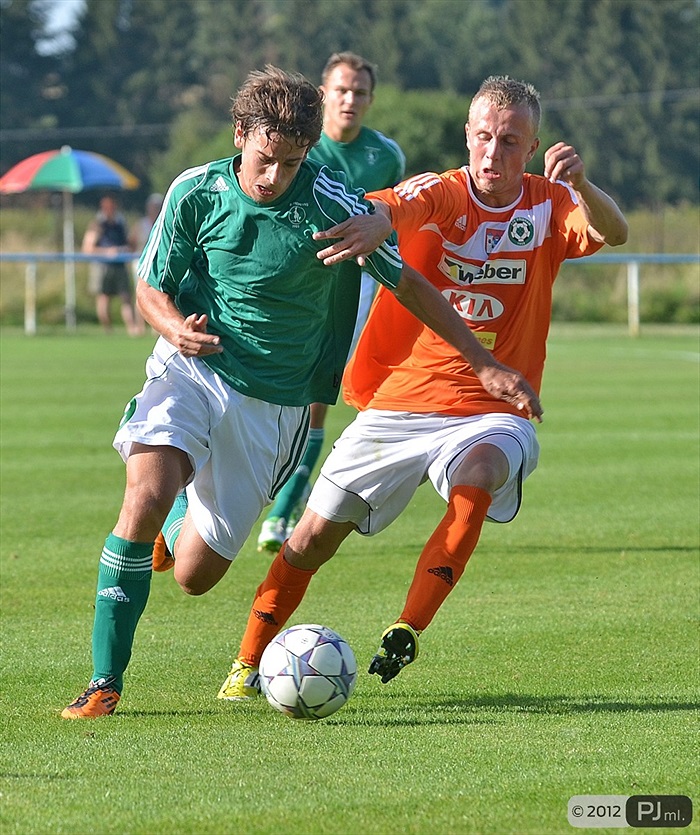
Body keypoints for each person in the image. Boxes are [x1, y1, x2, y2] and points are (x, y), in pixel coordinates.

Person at [61, 67, 537, 719]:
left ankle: (179, 511)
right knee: (142, 494)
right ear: (239, 136)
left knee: (196, 575)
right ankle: (103, 681)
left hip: (275, 407)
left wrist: (483, 361)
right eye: (263, 160)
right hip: (193, 365)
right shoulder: (195, 192)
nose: (272, 178)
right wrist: (175, 327)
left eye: (289, 163)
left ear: (308, 153)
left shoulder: (331, 206)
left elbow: (413, 286)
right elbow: (151, 285)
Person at [217, 74, 628, 699]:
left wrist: (583, 185)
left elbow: (615, 232)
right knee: (309, 539)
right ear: (468, 136)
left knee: (483, 470)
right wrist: (378, 219)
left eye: (511, 142)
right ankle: (247, 662)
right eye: (485, 137)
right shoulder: (442, 192)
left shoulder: (549, 202)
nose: (495, 153)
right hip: (401, 401)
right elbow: (388, 209)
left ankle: (409, 625)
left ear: (532, 144)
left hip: (494, 405)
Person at [256, 52, 406, 553]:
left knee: (318, 403)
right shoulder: (299, 146)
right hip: (297, 283)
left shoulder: (386, 155)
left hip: (354, 287)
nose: (350, 100)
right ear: (323, 94)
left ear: (370, 100)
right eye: (341, 90)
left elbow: (390, 228)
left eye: (359, 92)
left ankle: (282, 513)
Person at [82, 194, 139, 335]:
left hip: (119, 265)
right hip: (103, 266)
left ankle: (132, 329)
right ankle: (107, 330)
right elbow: (88, 249)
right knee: (104, 298)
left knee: (126, 296)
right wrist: (107, 251)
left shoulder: (120, 224)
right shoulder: (97, 225)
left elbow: (129, 243)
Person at [128, 192, 164, 335]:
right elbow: (131, 240)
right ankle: (139, 325)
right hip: (141, 261)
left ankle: (157, 325)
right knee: (142, 292)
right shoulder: (141, 224)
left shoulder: (164, 221)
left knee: (159, 293)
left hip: (158, 262)